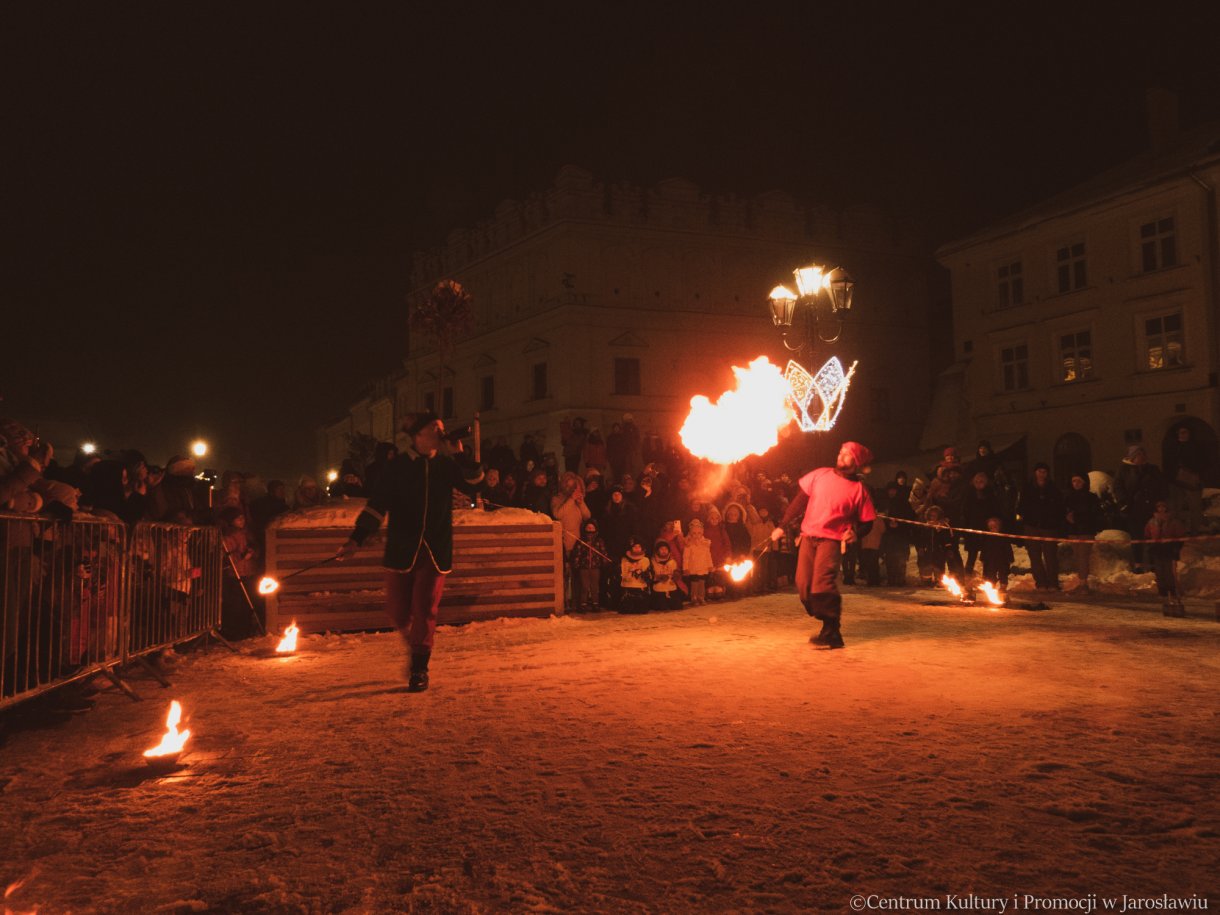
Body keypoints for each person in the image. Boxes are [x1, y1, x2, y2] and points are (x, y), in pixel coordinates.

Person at [337, 412, 484, 691]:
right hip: (402, 548)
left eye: (442, 428)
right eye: (434, 428)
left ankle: (419, 668)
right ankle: (415, 645)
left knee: (425, 608)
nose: (441, 433)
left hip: (435, 549)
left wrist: (462, 457)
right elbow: (377, 505)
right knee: (398, 612)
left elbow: (477, 485)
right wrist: (356, 539)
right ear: (417, 435)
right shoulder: (397, 467)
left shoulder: (447, 465)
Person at [773, 441, 877, 650]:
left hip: (831, 540)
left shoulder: (859, 490)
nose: (841, 456)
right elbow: (798, 502)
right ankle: (826, 617)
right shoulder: (820, 474)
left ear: (855, 462)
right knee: (803, 585)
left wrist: (855, 533)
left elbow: (868, 521)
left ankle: (832, 630)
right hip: (808, 537)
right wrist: (783, 526)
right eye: (841, 452)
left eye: (847, 455)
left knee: (822, 584)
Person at [1015, 462, 1064, 591]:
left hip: (1049, 526)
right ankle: (1041, 582)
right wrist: (1025, 517)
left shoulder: (1053, 488)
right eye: (1039, 471)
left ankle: (1053, 583)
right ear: (1035, 472)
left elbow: (1059, 506)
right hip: (1031, 525)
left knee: (1050, 556)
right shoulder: (1027, 488)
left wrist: (1054, 519)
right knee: (1035, 556)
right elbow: (1021, 505)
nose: (1041, 474)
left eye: (1044, 471)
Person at [1145, 500, 1186, 616]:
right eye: (1159, 508)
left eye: (1163, 508)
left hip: (1170, 549)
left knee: (1170, 571)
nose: (1161, 510)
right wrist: (1151, 546)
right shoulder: (1152, 522)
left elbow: (1180, 536)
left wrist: (1176, 547)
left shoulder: (1174, 522)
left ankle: (1172, 590)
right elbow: (1147, 535)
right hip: (1158, 550)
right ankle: (1162, 590)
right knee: (1160, 571)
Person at [1063, 472, 1102, 588]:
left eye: (1079, 481)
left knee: (1083, 556)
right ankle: (1081, 580)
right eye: (1074, 481)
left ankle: (1083, 582)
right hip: (1073, 531)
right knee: (1077, 556)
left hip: (1086, 531)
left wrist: (1077, 518)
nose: (1076, 483)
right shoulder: (1068, 497)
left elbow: (1093, 514)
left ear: (1084, 482)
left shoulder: (1091, 497)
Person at [683, 518, 714, 605]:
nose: (697, 535)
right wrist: (685, 568)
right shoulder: (688, 545)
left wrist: (710, 565)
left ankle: (701, 597)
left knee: (702, 583)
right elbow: (686, 557)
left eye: (699, 533)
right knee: (694, 583)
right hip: (693, 568)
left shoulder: (705, 544)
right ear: (690, 533)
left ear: (702, 532)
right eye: (694, 533)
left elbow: (708, 556)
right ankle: (694, 597)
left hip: (703, 567)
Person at [980, 516, 1014, 591]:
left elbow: (1008, 548)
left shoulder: (1003, 537)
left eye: (995, 527)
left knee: (1003, 573)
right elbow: (984, 548)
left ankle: (1003, 585)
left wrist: (1010, 557)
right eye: (991, 527)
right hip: (990, 559)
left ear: (999, 527)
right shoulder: (987, 538)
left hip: (1002, 559)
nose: (993, 529)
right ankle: (991, 585)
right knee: (990, 573)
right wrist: (983, 557)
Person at [650, 540, 682, 610]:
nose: (664, 551)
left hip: (671, 585)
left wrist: (676, 575)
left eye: (665, 549)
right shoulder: (653, 562)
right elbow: (651, 575)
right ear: (657, 551)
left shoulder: (672, 561)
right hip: (659, 587)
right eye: (661, 549)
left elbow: (676, 571)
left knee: (677, 606)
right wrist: (659, 577)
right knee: (662, 607)